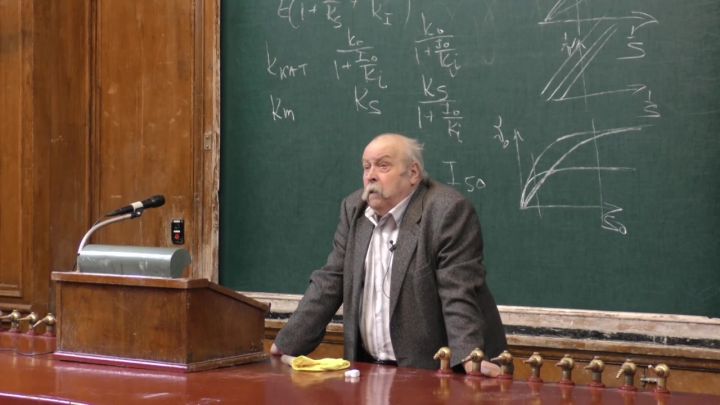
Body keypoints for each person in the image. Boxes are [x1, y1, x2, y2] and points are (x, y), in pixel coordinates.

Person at [272, 133, 506, 374]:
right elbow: (331, 280)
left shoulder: (446, 211)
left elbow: (457, 290)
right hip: (367, 368)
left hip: (432, 372)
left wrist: (470, 357)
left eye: (383, 166)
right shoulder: (354, 209)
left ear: (413, 173)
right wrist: (286, 343)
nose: (370, 175)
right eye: (366, 167)